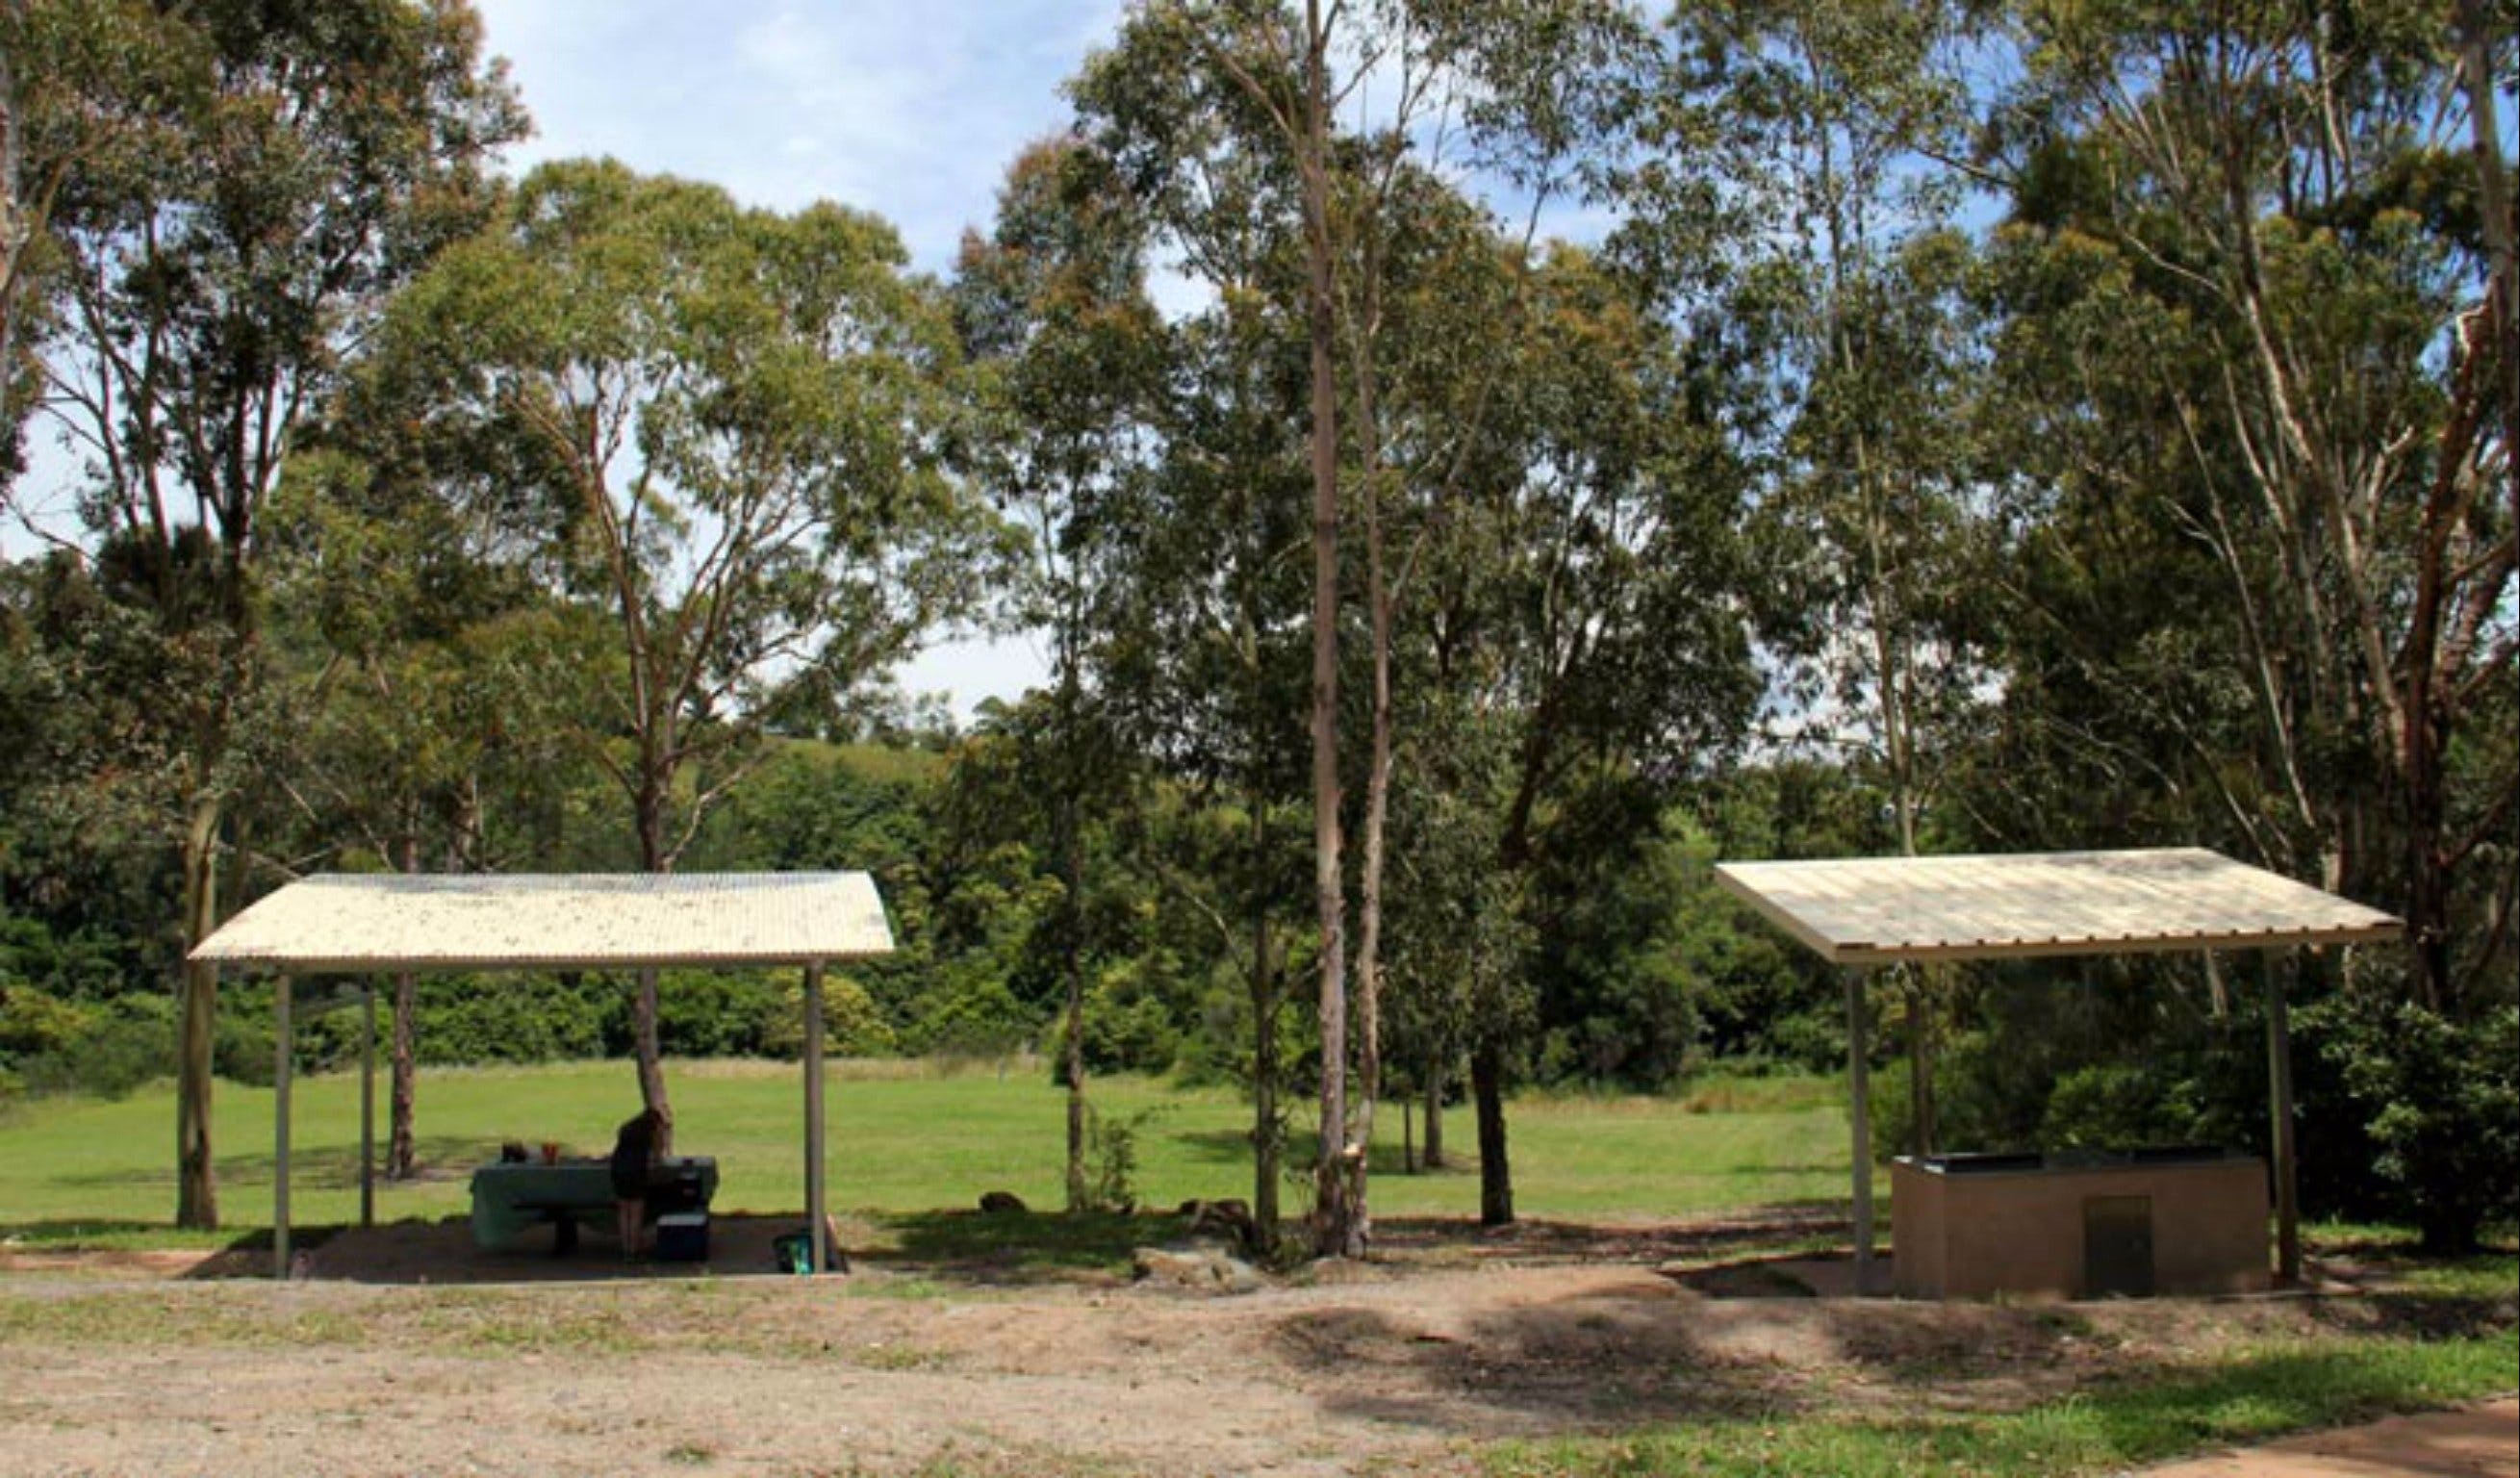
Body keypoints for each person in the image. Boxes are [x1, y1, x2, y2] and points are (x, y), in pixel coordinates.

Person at [609, 1107, 668, 1259]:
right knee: (635, 1212)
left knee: (623, 1211)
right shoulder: (650, 1133)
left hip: (618, 1169)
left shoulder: (627, 1128)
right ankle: (634, 1249)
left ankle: (625, 1247)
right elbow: (658, 1153)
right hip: (636, 1171)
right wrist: (661, 1134)